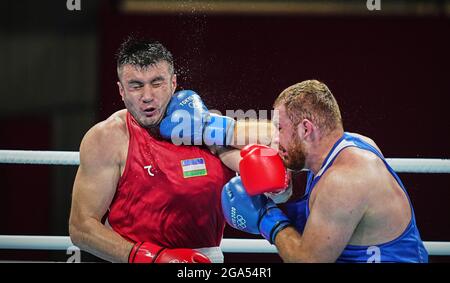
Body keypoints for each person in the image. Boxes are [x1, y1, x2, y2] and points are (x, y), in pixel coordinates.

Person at [68, 37, 238, 263]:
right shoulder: (107, 138)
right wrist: (152, 258)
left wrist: (280, 188)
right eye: (136, 86)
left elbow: (271, 183)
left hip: (204, 262)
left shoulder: (210, 130)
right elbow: (81, 227)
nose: (147, 96)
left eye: (157, 83)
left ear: (173, 83)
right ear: (121, 90)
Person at [221, 80, 429, 263]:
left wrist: (266, 218)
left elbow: (306, 260)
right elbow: (262, 140)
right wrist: (214, 134)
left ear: (306, 129)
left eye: (280, 128)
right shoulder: (348, 144)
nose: (274, 138)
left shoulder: (344, 181)